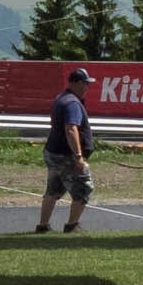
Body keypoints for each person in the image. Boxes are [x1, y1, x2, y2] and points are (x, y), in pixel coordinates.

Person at [37, 65, 95, 232]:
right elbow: (71, 128)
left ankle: (43, 225)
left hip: (53, 152)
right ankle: (72, 225)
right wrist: (78, 156)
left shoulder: (61, 98)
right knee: (84, 188)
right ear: (75, 83)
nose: (87, 87)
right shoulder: (72, 103)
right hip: (66, 155)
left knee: (54, 189)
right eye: (85, 83)